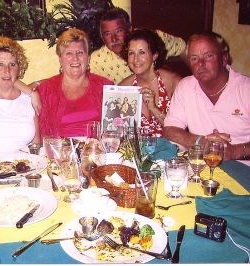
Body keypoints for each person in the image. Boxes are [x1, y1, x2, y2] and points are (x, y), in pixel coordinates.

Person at [164, 32, 250, 160]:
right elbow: (170, 130)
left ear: (224, 58)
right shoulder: (185, 86)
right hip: (200, 165)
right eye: (194, 58)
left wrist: (234, 151)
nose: (200, 63)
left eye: (208, 56)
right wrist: (202, 141)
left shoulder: (246, 88)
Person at [38, 28, 114, 138]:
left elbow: (116, 129)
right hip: (60, 152)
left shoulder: (105, 87)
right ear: (60, 59)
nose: (75, 58)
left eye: (80, 53)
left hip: (96, 151)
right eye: (69, 53)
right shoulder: (46, 90)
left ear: (88, 58)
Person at [90, 7, 186, 84]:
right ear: (102, 37)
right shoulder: (96, 61)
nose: (114, 39)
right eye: (107, 34)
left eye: (119, 31)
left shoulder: (152, 38)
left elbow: (183, 47)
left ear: (129, 29)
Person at [0, 36, 40, 155]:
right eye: (0, 64)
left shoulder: (28, 100)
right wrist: (30, 90)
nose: (7, 70)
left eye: (12, 64)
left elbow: (36, 145)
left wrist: (31, 93)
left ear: (19, 67)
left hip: (23, 167)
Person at [119, 29, 182, 137]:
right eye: (131, 53)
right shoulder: (123, 88)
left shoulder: (173, 82)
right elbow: (116, 131)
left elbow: (180, 130)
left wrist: (154, 108)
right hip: (137, 152)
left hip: (171, 150)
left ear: (154, 55)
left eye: (142, 52)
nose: (135, 59)